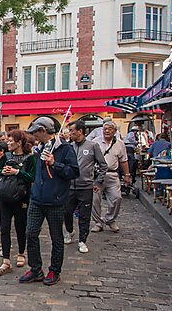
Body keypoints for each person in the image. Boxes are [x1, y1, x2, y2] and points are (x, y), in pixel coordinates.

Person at [19, 117, 79, 286]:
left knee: (56, 238)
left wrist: (55, 164)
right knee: (30, 233)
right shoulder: (39, 149)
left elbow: (73, 172)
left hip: (56, 200)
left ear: (44, 131)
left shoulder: (65, 149)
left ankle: (54, 270)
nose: (34, 137)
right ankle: (36, 268)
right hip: (37, 199)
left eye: (36, 133)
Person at [0, 130, 36, 275]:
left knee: (20, 226)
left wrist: (17, 172)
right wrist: (3, 172)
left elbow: (32, 177)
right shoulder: (6, 156)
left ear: (19, 143)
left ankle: (21, 253)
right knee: (4, 228)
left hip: (21, 198)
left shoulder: (30, 158)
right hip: (5, 197)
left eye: (11, 141)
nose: (8, 143)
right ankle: (6, 260)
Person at [65, 120, 107, 254]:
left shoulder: (92, 146)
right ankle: (70, 231)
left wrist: (98, 181)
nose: (70, 133)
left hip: (86, 187)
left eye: (72, 130)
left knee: (84, 216)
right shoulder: (69, 147)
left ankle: (82, 240)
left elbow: (103, 165)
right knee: (67, 212)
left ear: (80, 131)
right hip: (70, 187)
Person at [91, 121, 131, 233]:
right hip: (97, 175)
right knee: (95, 200)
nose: (107, 131)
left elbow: (124, 161)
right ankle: (98, 223)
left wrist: (127, 175)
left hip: (112, 174)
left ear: (115, 131)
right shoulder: (95, 142)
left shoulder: (120, 144)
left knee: (116, 198)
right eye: (105, 129)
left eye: (109, 129)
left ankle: (110, 219)